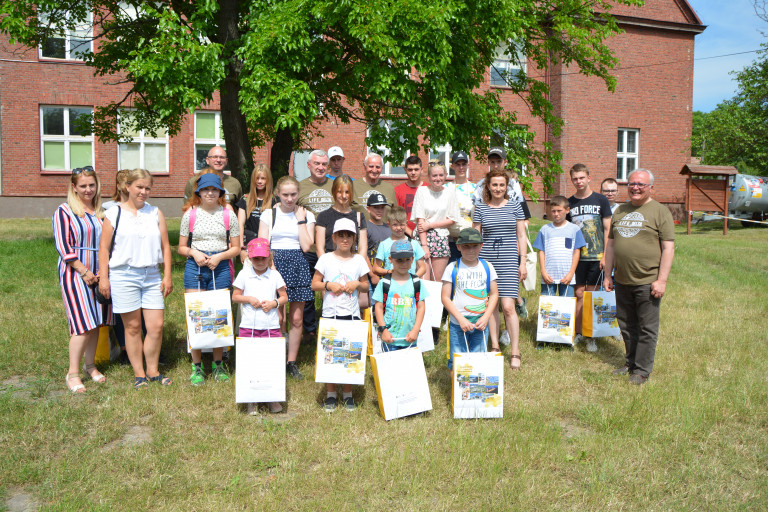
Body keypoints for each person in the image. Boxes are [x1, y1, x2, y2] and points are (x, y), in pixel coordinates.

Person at [98, 169, 173, 389]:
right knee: (132, 327)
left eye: (147, 188)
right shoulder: (113, 214)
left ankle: (153, 370)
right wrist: (104, 278)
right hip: (124, 275)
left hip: (151, 275)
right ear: (127, 187)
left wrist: (167, 275)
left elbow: (166, 247)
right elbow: (103, 250)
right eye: (139, 187)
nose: (143, 192)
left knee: (156, 326)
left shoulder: (155, 212)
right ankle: (139, 374)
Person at [604, 169, 675, 385]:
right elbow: (612, 245)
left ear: (651, 187)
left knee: (646, 327)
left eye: (641, 184)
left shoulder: (660, 211)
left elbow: (668, 248)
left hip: (647, 281)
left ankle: (642, 370)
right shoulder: (620, 210)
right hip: (622, 280)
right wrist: (608, 275)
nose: (635, 187)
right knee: (626, 324)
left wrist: (661, 280)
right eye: (632, 183)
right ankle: (631, 362)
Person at [53, 166, 114, 393]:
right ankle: (72, 373)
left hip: (99, 273)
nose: (88, 190)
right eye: (83, 186)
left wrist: (102, 272)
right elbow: (63, 246)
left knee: (96, 321)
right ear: (74, 188)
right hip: (75, 272)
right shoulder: (65, 211)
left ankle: (90, 366)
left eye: (91, 185)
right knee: (82, 324)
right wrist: (83, 270)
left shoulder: (101, 211)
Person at [178, 173, 241, 385]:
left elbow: (235, 248)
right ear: (199, 192)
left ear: (221, 192)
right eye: (206, 190)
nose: (210, 193)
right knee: (196, 315)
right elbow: (181, 247)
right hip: (195, 267)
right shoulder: (191, 215)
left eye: (214, 190)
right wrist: (194, 253)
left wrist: (219, 257)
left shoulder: (228, 215)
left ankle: (218, 363)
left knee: (218, 317)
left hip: (220, 266)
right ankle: (197, 366)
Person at [258, 176, 315, 380]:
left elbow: (308, 246)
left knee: (296, 318)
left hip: (298, 264)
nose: (289, 199)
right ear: (278, 195)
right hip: (274, 265)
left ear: (298, 193)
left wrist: (300, 220)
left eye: (293, 194)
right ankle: (278, 358)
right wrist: (272, 270)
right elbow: (263, 244)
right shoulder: (268, 214)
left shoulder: (307, 215)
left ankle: (292, 362)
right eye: (285, 195)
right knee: (278, 317)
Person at [311, 218, 370, 412]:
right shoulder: (326, 259)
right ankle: (330, 394)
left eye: (349, 236)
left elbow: (366, 285)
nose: (345, 239)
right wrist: (328, 285)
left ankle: (347, 393)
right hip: (330, 314)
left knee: (349, 354)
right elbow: (315, 283)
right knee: (331, 354)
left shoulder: (359, 260)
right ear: (334, 237)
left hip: (352, 314)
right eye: (341, 235)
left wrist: (356, 285)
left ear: (354, 239)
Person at [472, 169, 527, 368]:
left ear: (507, 187)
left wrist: (522, 262)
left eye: (501, 185)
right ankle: (494, 346)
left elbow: (521, 236)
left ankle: (515, 350)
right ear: (488, 186)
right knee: (491, 306)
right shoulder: (480, 208)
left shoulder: (515, 206)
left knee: (508, 307)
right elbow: (475, 237)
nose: (498, 188)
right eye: (494, 184)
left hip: (509, 260)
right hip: (487, 262)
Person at [474, 147, 532, 322]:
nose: (495, 164)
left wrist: (517, 244)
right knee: (491, 297)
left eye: (498, 161)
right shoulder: (480, 185)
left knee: (508, 299)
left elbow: (522, 216)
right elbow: (478, 219)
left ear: (505, 162)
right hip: (489, 245)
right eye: (492, 161)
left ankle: (514, 315)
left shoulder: (514, 185)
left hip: (510, 243)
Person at [232, 238, 289, 413]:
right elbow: (235, 296)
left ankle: (272, 398)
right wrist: (248, 299)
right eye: (256, 259)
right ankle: (251, 399)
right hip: (248, 326)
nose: (260, 262)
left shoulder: (274, 275)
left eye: (263, 258)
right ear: (249, 258)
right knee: (250, 361)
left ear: (269, 257)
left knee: (270, 361)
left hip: (270, 326)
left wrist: (274, 303)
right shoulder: (244, 274)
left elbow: (284, 297)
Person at [567, 163, 612, 353]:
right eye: (575, 179)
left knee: (591, 296)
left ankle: (590, 335)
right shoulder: (569, 203)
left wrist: (606, 256)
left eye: (581, 178)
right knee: (578, 295)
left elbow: (608, 229)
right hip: (578, 258)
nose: (578, 182)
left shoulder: (601, 200)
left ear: (589, 178)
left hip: (596, 257)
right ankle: (578, 332)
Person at [441, 228, 499, 371]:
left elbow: (494, 294)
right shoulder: (452, 268)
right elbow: (444, 297)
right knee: (456, 361)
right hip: (457, 323)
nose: (471, 250)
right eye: (466, 246)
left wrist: (486, 317)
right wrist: (460, 319)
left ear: (481, 246)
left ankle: (473, 392)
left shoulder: (488, 267)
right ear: (459, 246)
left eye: (475, 246)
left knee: (478, 360)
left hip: (480, 323)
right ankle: (457, 392)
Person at [315, 175, 369, 308]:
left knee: (354, 304)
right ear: (334, 192)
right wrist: (328, 267)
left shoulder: (358, 216)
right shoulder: (324, 216)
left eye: (347, 192)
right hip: (330, 267)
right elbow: (320, 247)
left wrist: (356, 268)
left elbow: (362, 246)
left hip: (352, 264)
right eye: (339, 191)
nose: (343, 196)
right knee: (331, 304)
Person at [297, 149, 334, 339]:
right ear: (309, 165)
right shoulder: (300, 187)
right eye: (317, 164)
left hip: (334, 246)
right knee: (309, 287)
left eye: (324, 164)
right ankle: (310, 329)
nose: (320, 167)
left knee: (334, 287)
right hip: (309, 248)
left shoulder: (335, 185)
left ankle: (333, 325)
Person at [373, 240, 428, 351]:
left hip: (410, 338)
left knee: (409, 368)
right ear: (390, 260)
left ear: (413, 259)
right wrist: (383, 330)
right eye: (399, 260)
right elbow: (378, 307)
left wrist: (415, 330)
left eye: (407, 259)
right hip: (390, 338)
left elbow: (421, 307)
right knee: (389, 368)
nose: (403, 264)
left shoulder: (417, 282)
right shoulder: (384, 283)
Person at [411, 162, 459, 283]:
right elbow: (420, 219)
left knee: (437, 282)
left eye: (441, 175)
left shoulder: (449, 193)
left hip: (441, 238)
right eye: (434, 175)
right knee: (423, 281)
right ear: (428, 176)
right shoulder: (421, 191)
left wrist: (430, 225)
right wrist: (424, 245)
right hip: (423, 238)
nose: (438, 178)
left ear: (446, 175)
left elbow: (452, 219)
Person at [533, 196, 586, 298]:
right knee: (548, 308)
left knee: (566, 309)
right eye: (553, 211)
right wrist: (543, 272)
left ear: (567, 210)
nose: (556, 214)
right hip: (549, 276)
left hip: (567, 276)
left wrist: (571, 273)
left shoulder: (574, 229)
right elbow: (541, 252)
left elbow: (577, 252)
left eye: (559, 211)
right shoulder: (545, 229)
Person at [374, 206, 427, 279]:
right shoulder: (383, 244)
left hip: (410, 285)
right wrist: (389, 272)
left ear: (406, 223)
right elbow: (375, 268)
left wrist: (413, 279)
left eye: (402, 224)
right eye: (395, 225)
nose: (399, 228)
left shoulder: (414, 244)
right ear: (388, 224)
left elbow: (423, 267)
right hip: (392, 284)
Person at [237, 164, 274, 261]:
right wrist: (241, 248)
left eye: (263, 178)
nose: (259, 181)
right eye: (257, 178)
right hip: (250, 243)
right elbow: (240, 225)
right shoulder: (245, 199)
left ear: (268, 180)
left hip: (268, 245)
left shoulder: (275, 200)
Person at [446, 151, 477, 263]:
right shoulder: (446, 188)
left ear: (468, 165)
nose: (461, 167)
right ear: (452, 166)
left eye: (464, 164)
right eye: (458, 164)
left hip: (471, 242)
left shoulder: (476, 188)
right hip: (451, 242)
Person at [364, 192, 392, 295]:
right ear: (368, 208)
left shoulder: (389, 229)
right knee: (373, 308)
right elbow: (363, 254)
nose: (380, 210)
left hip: (388, 276)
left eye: (382, 207)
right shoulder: (365, 227)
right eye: (376, 207)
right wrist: (372, 275)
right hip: (372, 277)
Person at [354, 153, 397, 219]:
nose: (374, 170)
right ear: (364, 166)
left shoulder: (389, 188)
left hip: (383, 229)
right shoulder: (353, 186)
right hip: (359, 229)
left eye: (378, 167)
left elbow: (395, 215)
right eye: (371, 166)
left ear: (382, 168)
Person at [394, 155, 425, 237]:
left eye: (416, 169)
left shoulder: (429, 189)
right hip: (405, 234)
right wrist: (411, 233)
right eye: (410, 170)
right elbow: (396, 217)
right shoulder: (398, 190)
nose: (413, 173)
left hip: (427, 234)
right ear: (405, 170)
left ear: (422, 170)